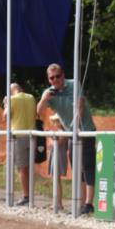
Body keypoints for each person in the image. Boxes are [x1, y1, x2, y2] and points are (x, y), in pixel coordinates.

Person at [37, 63, 97, 215]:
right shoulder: (49, 92)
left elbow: (80, 106)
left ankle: (89, 203)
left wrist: (75, 127)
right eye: (52, 78)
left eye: (58, 76)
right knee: (77, 167)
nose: (55, 80)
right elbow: (38, 112)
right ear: (48, 80)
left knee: (87, 166)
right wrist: (44, 99)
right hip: (71, 133)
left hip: (85, 130)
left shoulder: (73, 84)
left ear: (63, 75)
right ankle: (82, 203)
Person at [3, 82, 37, 205]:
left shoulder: (12, 99)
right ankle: (30, 194)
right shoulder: (31, 97)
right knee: (30, 167)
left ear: (11, 91)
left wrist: (6, 103)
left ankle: (27, 196)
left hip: (19, 136)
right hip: (32, 135)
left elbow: (5, 116)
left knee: (22, 168)